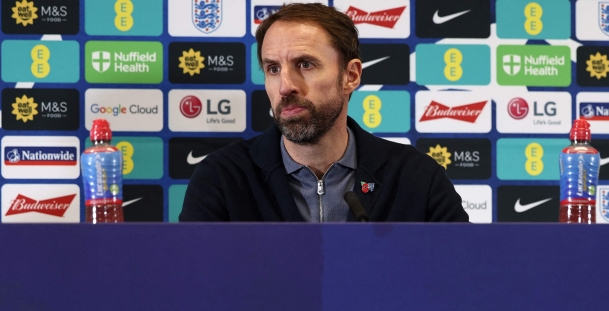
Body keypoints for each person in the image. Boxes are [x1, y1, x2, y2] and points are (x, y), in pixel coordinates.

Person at [178, 2, 468, 222]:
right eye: (273, 69)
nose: (285, 86)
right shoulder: (223, 178)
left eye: (305, 64)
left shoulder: (417, 178)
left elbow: (461, 281)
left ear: (350, 76)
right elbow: (194, 287)